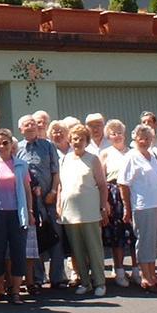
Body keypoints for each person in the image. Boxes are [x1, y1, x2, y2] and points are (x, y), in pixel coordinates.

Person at [0, 128, 34, 304]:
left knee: (18, 252)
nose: (2, 146)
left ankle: (17, 291)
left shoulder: (21, 165)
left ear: (11, 144)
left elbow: (27, 191)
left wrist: (30, 211)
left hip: (17, 214)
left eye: (5, 143)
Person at [57, 124, 108, 296]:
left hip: (90, 211)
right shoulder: (64, 159)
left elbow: (102, 185)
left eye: (81, 139)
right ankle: (85, 282)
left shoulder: (93, 159)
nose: (77, 142)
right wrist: (59, 205)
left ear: (86, 141)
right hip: (69, 212)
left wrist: (103, 207)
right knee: (76, 250)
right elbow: (60, 186)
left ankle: (100, 282)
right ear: (69, 140)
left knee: (94, 248)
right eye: (74, 139)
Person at [17, 114, 65, 290]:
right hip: (31, 202)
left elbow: (56, 172)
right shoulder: (18, 148)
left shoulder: (48, 146)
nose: (30, 126)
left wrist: (53, 191)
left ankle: (57, 277)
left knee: (55, 236)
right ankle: (38, 277)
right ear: (21, 129)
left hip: (49, 199)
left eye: (32, 123)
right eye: (25, 124)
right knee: (35, 239)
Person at [119, 124, 157, 291]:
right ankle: (145, 277)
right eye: (141, 138)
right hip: (142, 206)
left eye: (148, 138)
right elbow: (123, 184)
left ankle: (153, 275)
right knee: (145, 241)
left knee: (154, 242)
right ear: (135, 138)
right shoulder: (130, 157)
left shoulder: (153, 155)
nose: (145, 141)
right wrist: (127, 207)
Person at [100, 119, 137, 287]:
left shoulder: (132, 152)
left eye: (119, 132)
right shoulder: (105, 153)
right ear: (108, 136)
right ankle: (120, 271)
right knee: (118, 235)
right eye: (113, 133)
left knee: (134, 234)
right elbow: (101, 179)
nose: (117, 136)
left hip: (132, 194)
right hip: (113, 195)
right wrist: (104, 202)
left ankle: (137, 270)